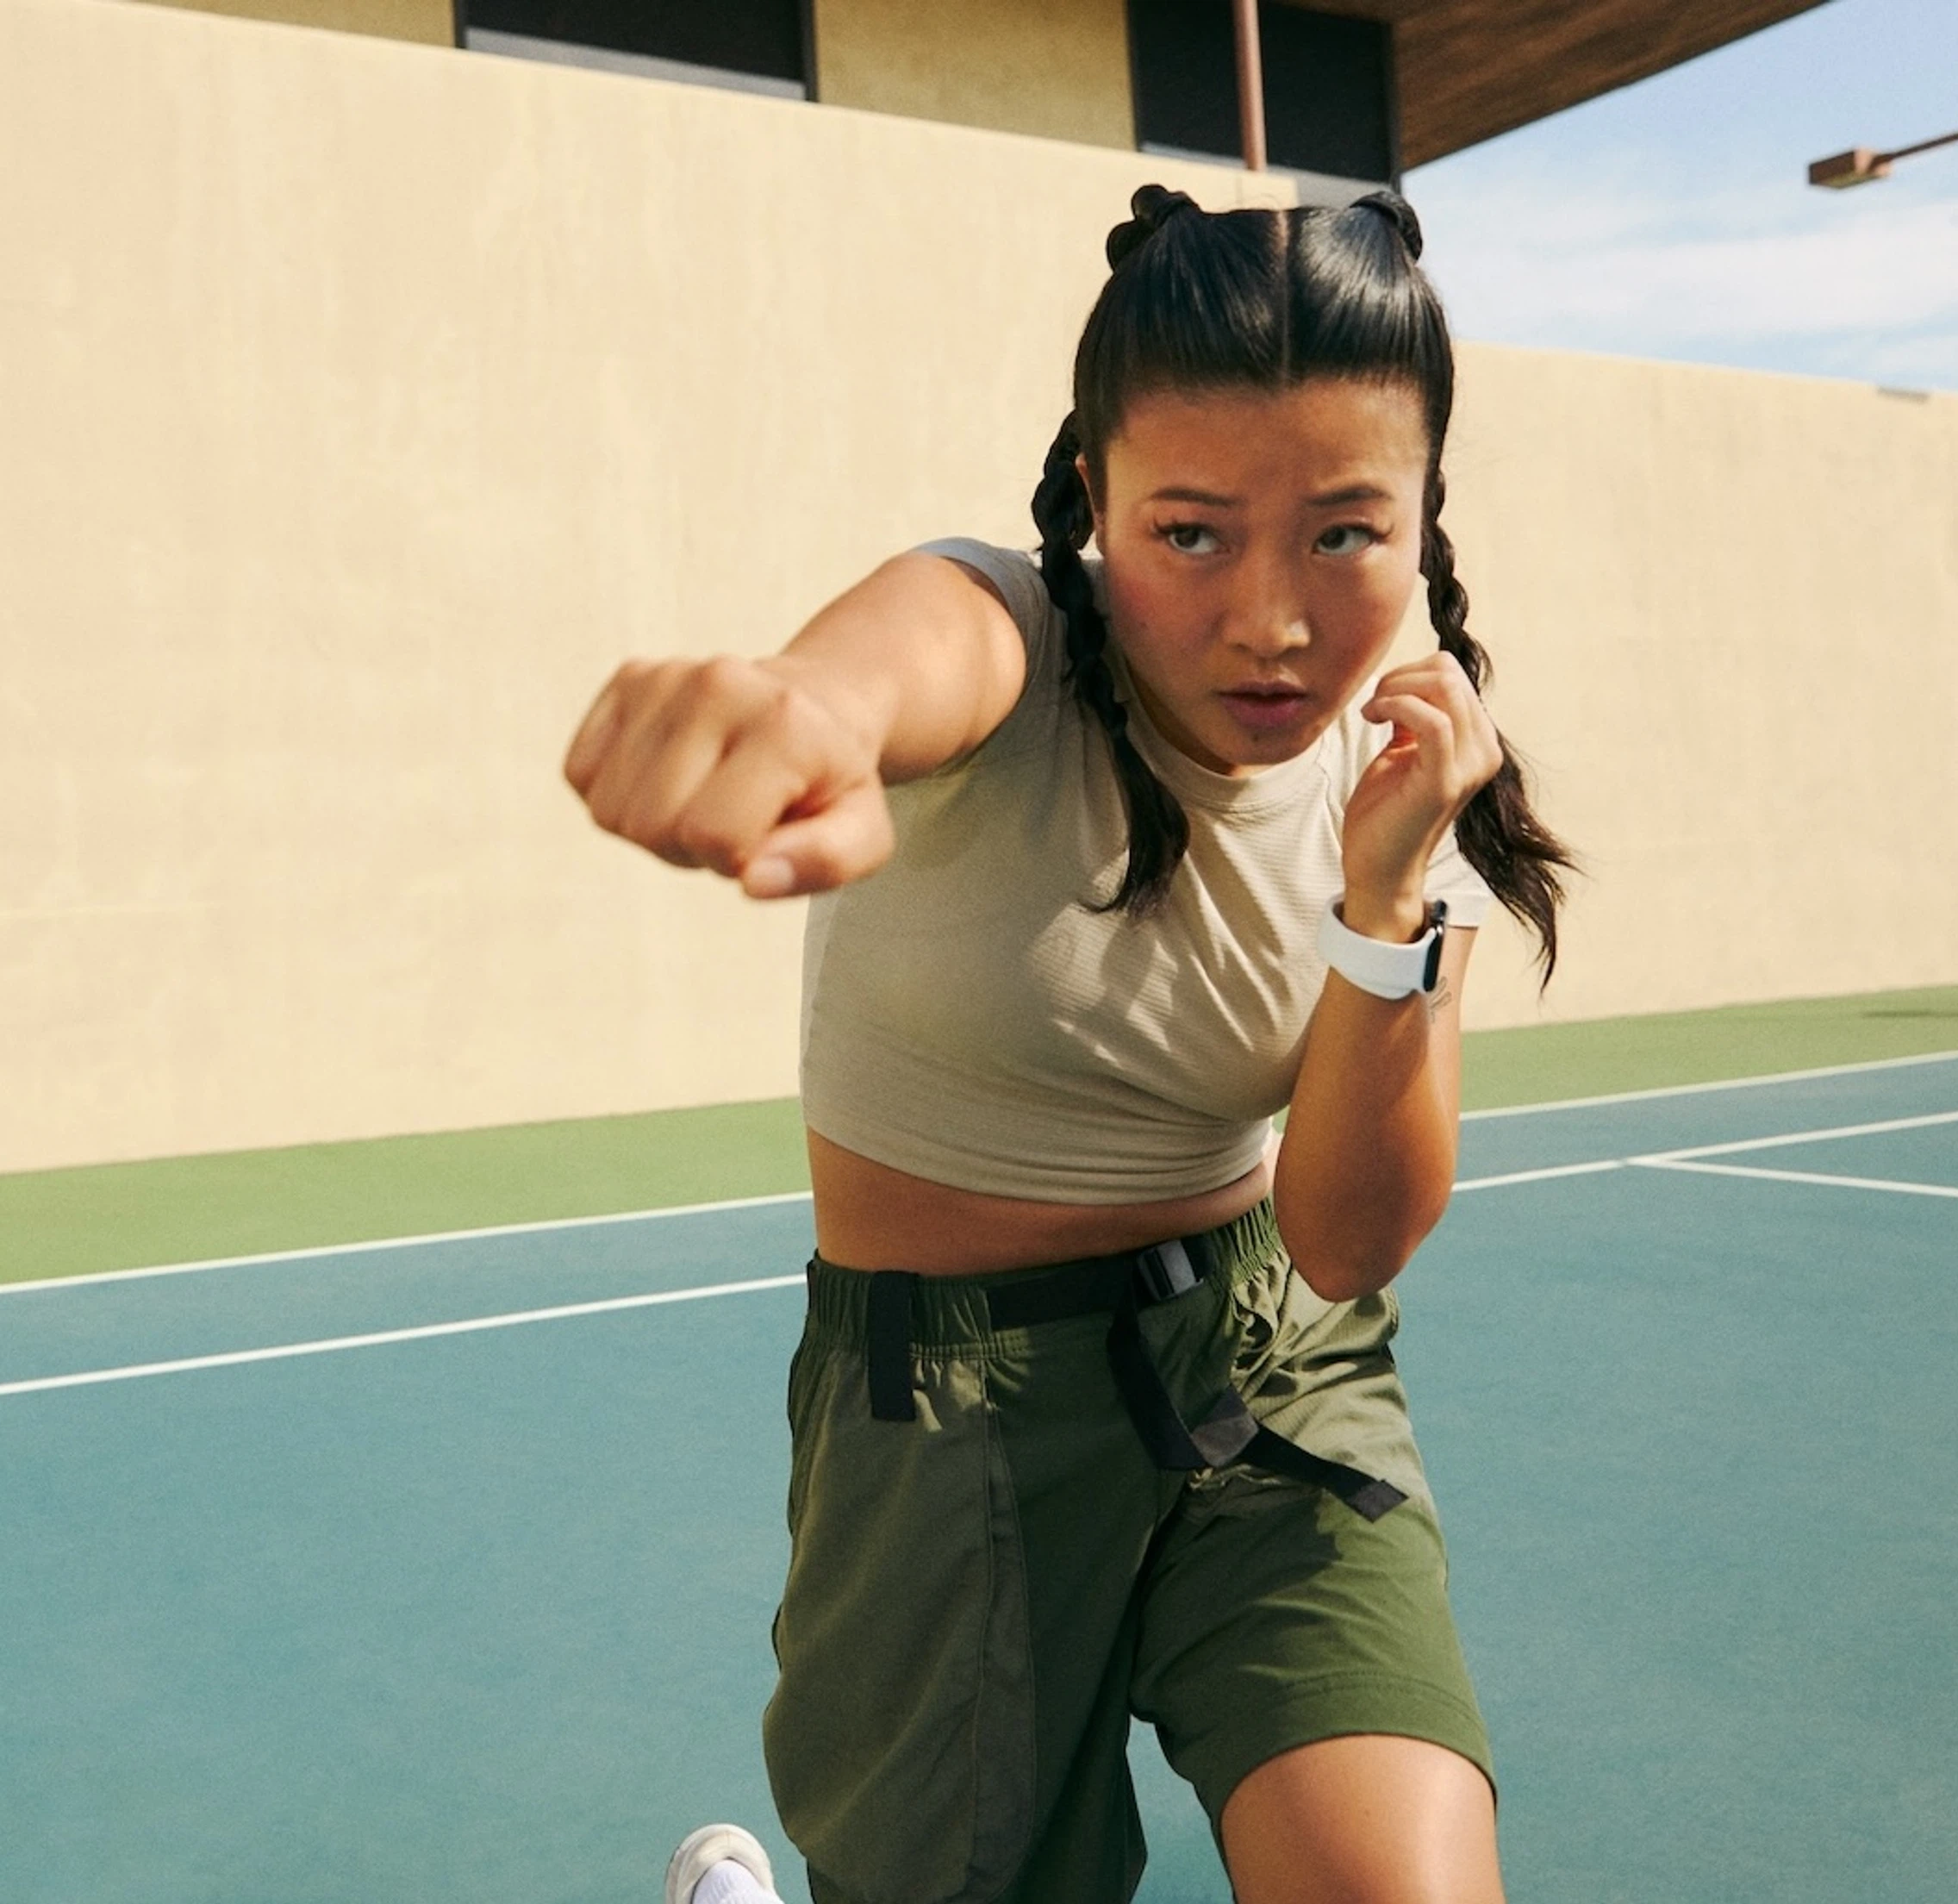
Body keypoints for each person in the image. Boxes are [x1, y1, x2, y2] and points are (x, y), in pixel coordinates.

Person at [569, 184, 1572, 1904]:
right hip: (953, 1408)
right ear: (1096, 501)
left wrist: (1386, 898)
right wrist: (802, 714)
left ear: (1424, 521)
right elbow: (881, 669)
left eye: (1344, 534)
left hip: (1265, 1366)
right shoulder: (1011, 641)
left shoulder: (1410, 793)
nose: (1272, 619)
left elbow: (1345, 1241)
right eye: (1193, 534)